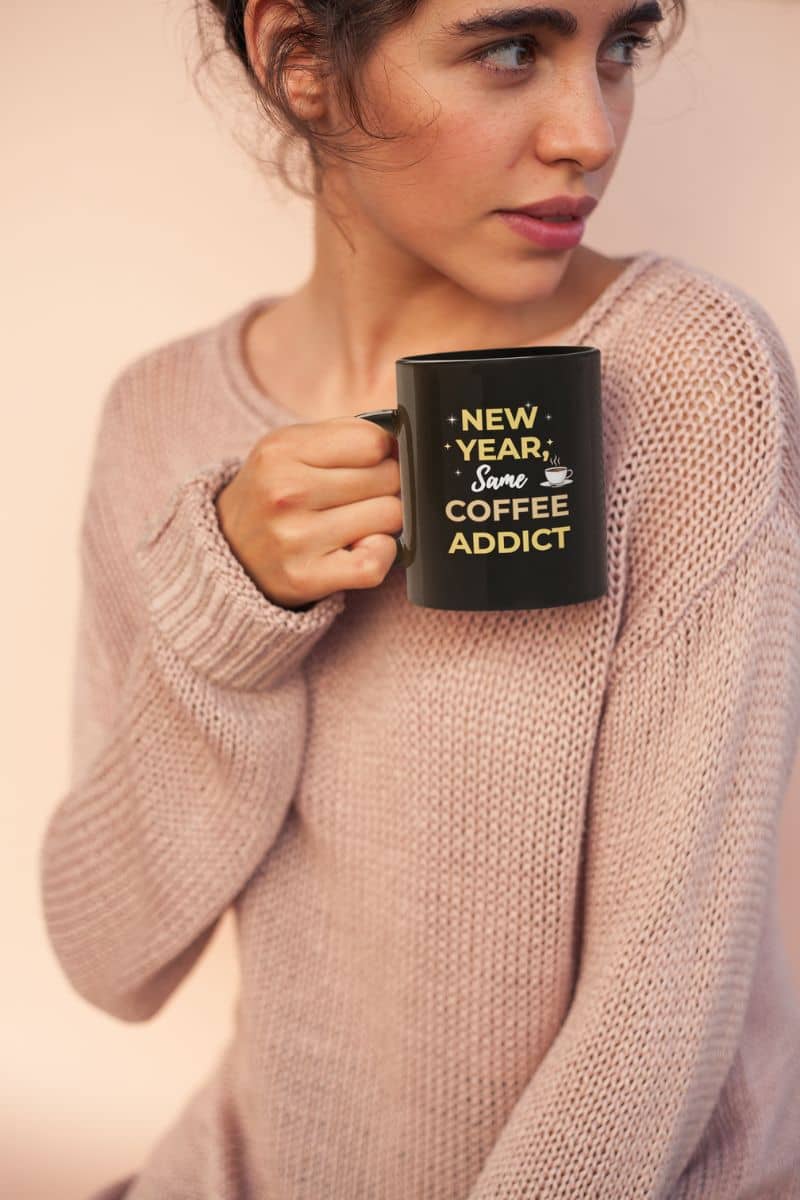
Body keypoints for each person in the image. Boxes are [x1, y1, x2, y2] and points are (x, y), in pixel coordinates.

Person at [39, 0, 800, 1196]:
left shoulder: (686, 374)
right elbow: (108, 957)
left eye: (620, 47)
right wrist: (227, 619)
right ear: (295, 56)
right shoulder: (162, 414)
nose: (590, 133)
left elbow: (664, 991)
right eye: (510, 50)